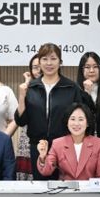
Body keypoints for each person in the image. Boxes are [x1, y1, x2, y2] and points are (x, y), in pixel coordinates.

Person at [15, 43, 84, 180]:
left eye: (53, 59)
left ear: (60, 62)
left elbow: (81, 118)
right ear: (39, 62)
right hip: (38, 146)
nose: (49, 63)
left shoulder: (71, 87)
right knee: (41, 188)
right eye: (45, 59)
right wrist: (22, 97)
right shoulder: (31, 87)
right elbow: (21, 121)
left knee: (65, 186)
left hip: (65, 147)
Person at [76, 52, 100, 150]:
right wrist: (86, 94)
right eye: (87, 67)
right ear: (81, 69)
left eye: (95, 67)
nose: (91, 70)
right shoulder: (74, 92)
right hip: (80, 145)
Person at [14, 54, 40, 181]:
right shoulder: (26, 88)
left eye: (41, 66)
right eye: (35, 67)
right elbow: (20, 118)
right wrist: (24, 91)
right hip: (27, 141)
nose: (39, 70)